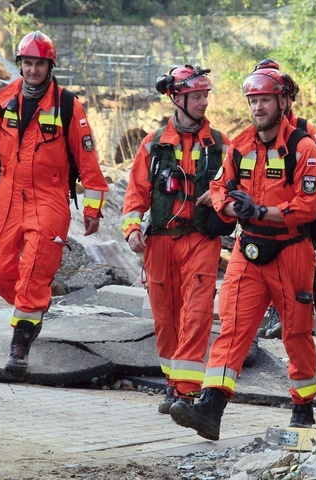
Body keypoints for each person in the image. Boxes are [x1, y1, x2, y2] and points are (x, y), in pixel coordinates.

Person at [169, 67, 316, 440]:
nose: (258, 107)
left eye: (265, 100)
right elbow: (219, 186)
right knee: (233, 328)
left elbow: (307, 207)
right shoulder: (240, 145)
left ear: (283, 102)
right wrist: (231, 207)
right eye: (253, 101)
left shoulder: (304, 149)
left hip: (291, 250)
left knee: (296, 333)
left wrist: (261, 210)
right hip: (249, 247)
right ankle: (210, 407)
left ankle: (302, 408)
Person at [0, 31, 108, 375]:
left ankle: (20, 343)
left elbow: (89, 161)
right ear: (20, 64)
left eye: (40, 63)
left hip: (48, 198)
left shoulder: (67, 105)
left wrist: (93, 208)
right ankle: (33, 308)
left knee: (35, 269)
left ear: (50, 66)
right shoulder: (2, 101)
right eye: (28, 63)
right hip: (6, 195)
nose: (33, 70)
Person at [120, 65, 231, 414]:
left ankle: (185, 392)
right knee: (165, 319)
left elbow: (235, 187)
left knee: (196, 315)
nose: (203, 103)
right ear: (177, 99)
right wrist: (132, 229)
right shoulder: (153, 144)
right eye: (196, 96)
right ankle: (172, 382)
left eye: (205, 96)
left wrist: (218, 198)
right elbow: (135, 194)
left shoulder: (221, 145)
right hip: (160, 242)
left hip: (200, 239)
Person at [251, 59, 316, 340]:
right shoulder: (253, 131)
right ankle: (275, 311)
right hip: (263, 216)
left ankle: (299, 314)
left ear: (284, 97)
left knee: (299, 270)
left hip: (298, 214)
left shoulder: (304, 131)